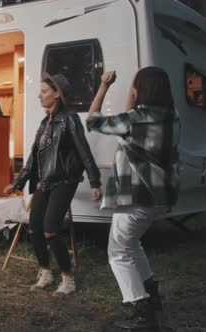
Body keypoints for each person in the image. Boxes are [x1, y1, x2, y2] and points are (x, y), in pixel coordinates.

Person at [86, 68, 180, 330]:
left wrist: (104, 86)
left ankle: (142, 315)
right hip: (159, 197)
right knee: (131, 243)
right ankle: (151, 294)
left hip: (136, 197)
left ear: (140, 89)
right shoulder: (173, 118)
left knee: (117, 252)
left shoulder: (134, 119)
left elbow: (92, 120)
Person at [3, 73, 102, 295]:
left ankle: (68, 279)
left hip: (64, 181)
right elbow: (32, 158)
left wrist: (95, 181)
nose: (39, 96)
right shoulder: (44, 122)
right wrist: (17, 182)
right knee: (34, 228)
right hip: (44, 182)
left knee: (50, 230)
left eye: (45, 91)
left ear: (57, 94)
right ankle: (46, 272)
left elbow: (84, 152)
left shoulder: (70, 119)